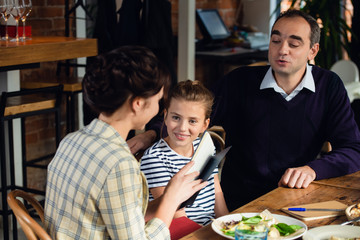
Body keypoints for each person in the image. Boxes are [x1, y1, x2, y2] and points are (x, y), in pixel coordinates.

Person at [44, 46, 208, 239]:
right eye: (157, 100)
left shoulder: (71, 140)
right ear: (138, 104)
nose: (157, 108)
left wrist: (169, 196)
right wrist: (171, 202)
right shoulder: (119, 164)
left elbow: (121, 213)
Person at [211, 9, 360, 211]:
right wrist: (153, 131)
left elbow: (352, 149)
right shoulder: (238, 81)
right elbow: (190, 115)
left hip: (297, 200)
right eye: (276, 41)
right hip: (239, 203)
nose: (282, 50)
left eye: (294, 44)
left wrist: (312, 170)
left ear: (312, 51)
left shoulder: (328, 86)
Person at [140, 80, 229, 226]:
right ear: (166, 116)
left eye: (192, 121)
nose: (182, 128)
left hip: (212, 228)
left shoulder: (205, 146)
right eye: (176, 117)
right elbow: (176, 216)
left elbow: (217, 192)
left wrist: (229, 226)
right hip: (185, 231)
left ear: (204, 125)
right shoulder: (154, 159)